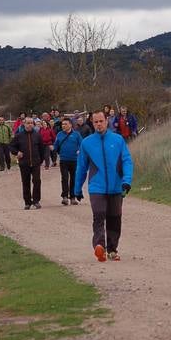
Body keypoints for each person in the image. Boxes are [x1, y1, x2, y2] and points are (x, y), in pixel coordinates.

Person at [74, 110, 133, 261]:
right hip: (96, 187)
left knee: (115, 218)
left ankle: (112, 249)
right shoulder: (87, 143)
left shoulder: (118, 140)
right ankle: (99, 246)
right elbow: (81, 167)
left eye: (101, 121)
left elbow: (127, 161)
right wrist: (77, 189)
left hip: (116, 186)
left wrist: (126, 180)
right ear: (92, 123)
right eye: (96, 122)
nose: (99, 124)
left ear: (107, 121)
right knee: (99, 215)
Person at [10, 115, 46, 209]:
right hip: (24, 163)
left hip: (35, 163)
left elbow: (42, 149)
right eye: (28, 123)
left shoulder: (37, 135)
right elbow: (12, 147)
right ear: (24, 124)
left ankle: (36, 201)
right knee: (26, 182)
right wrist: (17, 152)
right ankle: (27, 202)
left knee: (37, 181)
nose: (30, 125)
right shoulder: (19, 136)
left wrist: (41, 160)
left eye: (31, 123)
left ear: (33, 124)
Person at [53, 118, 83, 205]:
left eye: (65, 124)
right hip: (63, 160)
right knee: (65, 178)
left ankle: (73, 197)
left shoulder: (76, 134)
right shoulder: (59, 134)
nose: (63, 126)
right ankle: (65, 196)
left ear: (70, 125)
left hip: (74, 160)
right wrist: (53, 149)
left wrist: (79, 151)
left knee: (74, 179)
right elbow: (56, 146)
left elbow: (82, 145)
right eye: (62, 124)